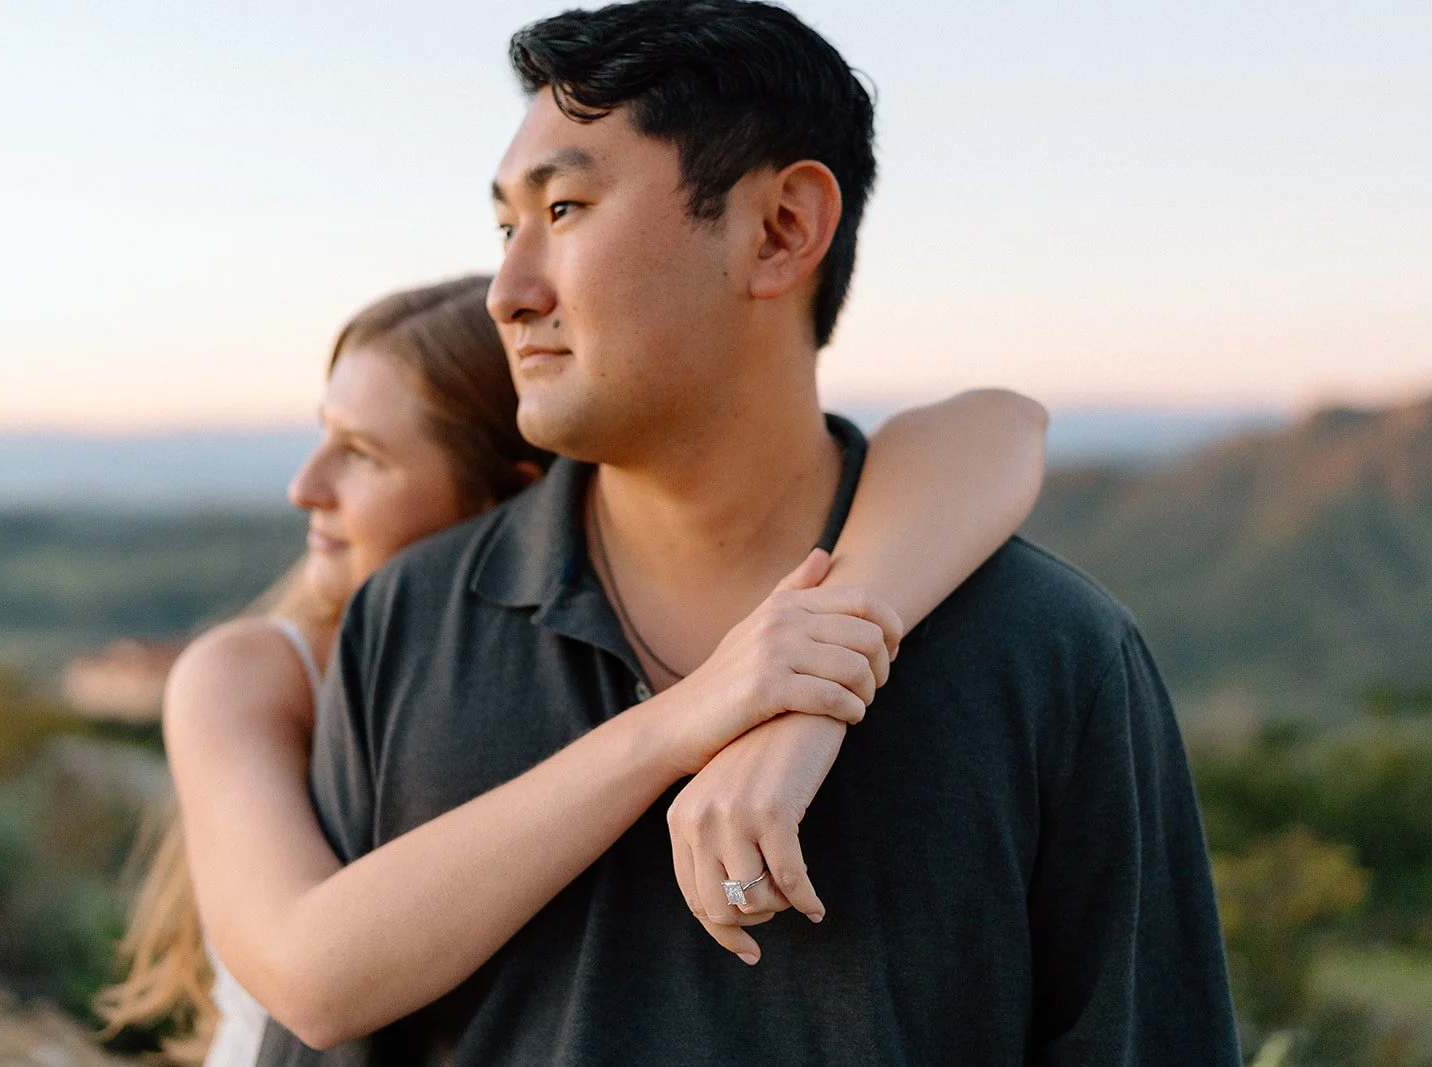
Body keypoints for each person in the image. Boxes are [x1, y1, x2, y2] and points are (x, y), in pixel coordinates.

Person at [254, 1, 1241, 1063]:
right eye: (507, 228)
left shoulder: (1048, 654)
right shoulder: (409, 624)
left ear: (780, 229)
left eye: (566, 208)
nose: (506, 292)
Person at [98, 273, 1049, 1063]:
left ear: (508, 500)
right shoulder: (248, 671)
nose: (307, 486)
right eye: (324, 435)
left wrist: (812, 698)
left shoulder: (564, 658)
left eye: (363, 454)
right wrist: (689, 715)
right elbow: (309, 976)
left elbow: (1000, 422)